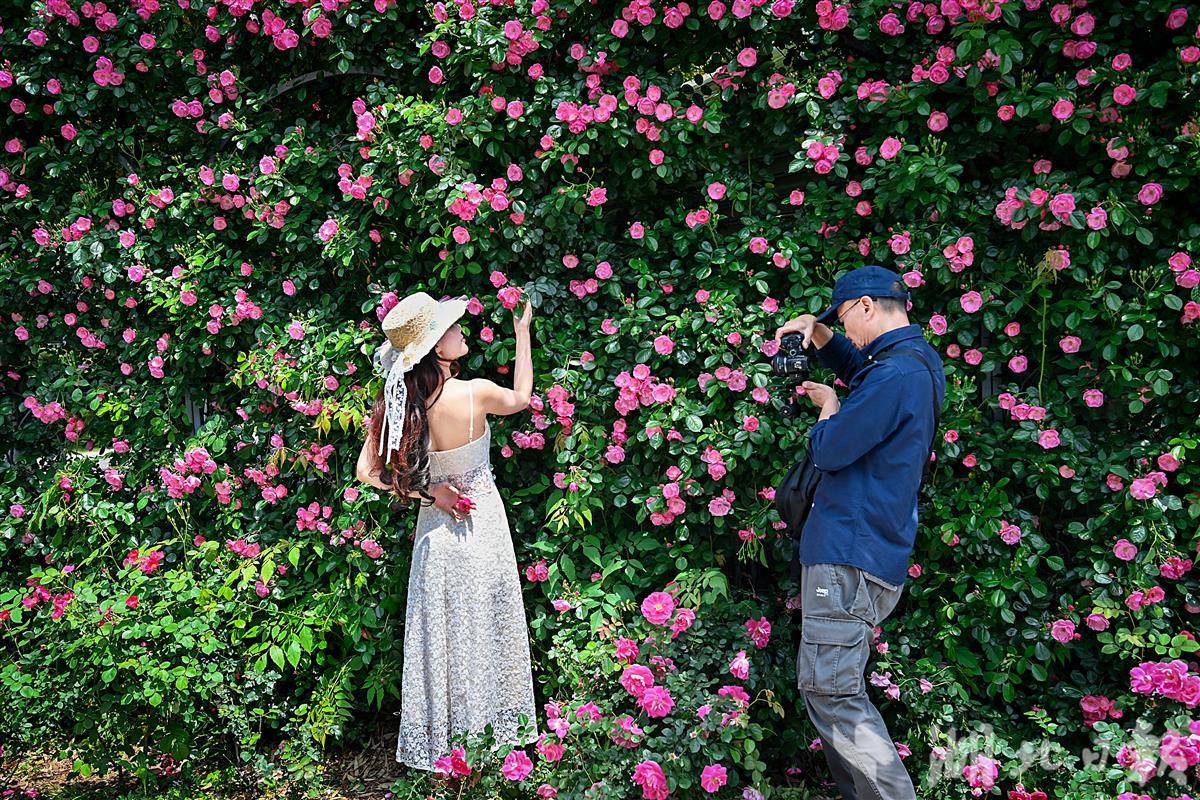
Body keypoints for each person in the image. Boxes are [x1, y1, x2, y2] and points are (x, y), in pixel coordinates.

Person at [773, 265, 946, 800]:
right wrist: (822, 335)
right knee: (828, 689)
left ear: (867, 306)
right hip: (868, 549)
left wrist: (829, 409)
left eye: (844, 317)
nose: (845, 329)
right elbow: (862, 371)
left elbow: (830, 449)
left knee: (833, 692)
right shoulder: (913, 364)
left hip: (849, 553)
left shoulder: (894, 376)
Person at [354, 290, 539, 771]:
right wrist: (522, 335)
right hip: (483, 527)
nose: (461, 331)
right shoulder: (475, 392)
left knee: (444, 639)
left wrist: (430, 493)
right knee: (485, 629)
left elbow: (367, 472)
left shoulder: (402, 404)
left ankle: (451, 750)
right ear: (436, 346)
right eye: (452, 328)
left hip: (435, 536)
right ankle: (489, 745)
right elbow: (521, 398)